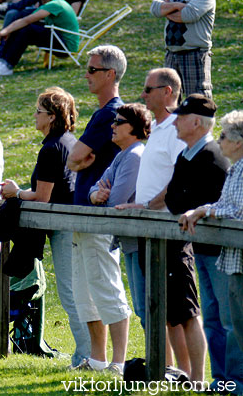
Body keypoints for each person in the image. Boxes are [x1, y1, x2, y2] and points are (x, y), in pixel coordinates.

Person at [0, 87, 90, 367]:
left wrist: (16, 192)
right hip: (70, 224)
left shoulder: (52, 148)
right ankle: (89, 354)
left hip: (63, 227)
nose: (35, 116)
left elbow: (42, 197)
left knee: (70, 294)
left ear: (52, 116)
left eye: (38, 111)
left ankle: (86, 357)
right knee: (78, 292)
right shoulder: (67, 141)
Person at [115, 69, 188, 371]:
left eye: (148, 89)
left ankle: (187, 374)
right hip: (148, 227)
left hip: (168, 228)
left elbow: (180, 177)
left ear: (168, 91)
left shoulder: (176, 128)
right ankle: (164, 368)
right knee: (153, 307)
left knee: (179, 310)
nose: (142, 95)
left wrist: (147, 205)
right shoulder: (159, 128)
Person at [158, 94, 230, 384]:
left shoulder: (214, 156)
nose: (174, 122)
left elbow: (210, 200)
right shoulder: (186, 155)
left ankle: (231, 380)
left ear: (197, 122)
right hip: (201, 247)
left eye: (181, 117)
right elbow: (176, 199)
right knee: (213, 318)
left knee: (226, 319)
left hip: (222, 251)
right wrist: (189, 202)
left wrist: (190, 202)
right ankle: (221, 378)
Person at [67, 45, 127, 373]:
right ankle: (98, 358)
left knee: (105, 285)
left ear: (110, 74)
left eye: (92, 70)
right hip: (83, 213)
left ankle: (118, 363)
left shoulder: (110, 113)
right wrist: (78, 161)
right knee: (84, 290)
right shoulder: (100, 112)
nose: (86, 74)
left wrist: (79, 160)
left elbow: (75, 157)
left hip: (100, 216)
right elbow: (74, 158)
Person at [83, 103, 151, 374]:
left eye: (119, 122)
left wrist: (102, 196)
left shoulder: (134, 155)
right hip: (128, 241)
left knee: (148, 309)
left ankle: (161, 368)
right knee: (142, 309)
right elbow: (95, 187)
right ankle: (157, 365)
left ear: (134, 128)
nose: (112, 126)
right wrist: (94, 195)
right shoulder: (121, 155)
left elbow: (117, 200)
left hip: (142, 241)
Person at [179, 110, 243, 395]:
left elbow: (237, 212)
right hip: (229, 259)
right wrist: (208, 208)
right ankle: (223, 380)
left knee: (234, 326)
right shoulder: (234, 169)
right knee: (221, 322)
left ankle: (236, 384)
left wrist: (206, 209)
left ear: (239, 141)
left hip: (239, 261)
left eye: (224, 136)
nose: (219, 141)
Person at [0, 0, 79, 77]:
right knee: (21, 28)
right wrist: (9, 30)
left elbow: (27, 20)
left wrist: (5, 31)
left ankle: (7, 66)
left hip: (66, 46)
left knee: (26, 30)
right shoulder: (55, 3)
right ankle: (2, 62)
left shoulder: (55, 4)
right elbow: (25, 20)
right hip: (58, 38)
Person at [150, 0, 215, 98]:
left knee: (197, 100)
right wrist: (178, 6)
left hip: (195, 54)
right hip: (172, 53)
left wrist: (167, 9)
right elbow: (155, 8)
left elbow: (189, 15)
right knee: (169, 99)